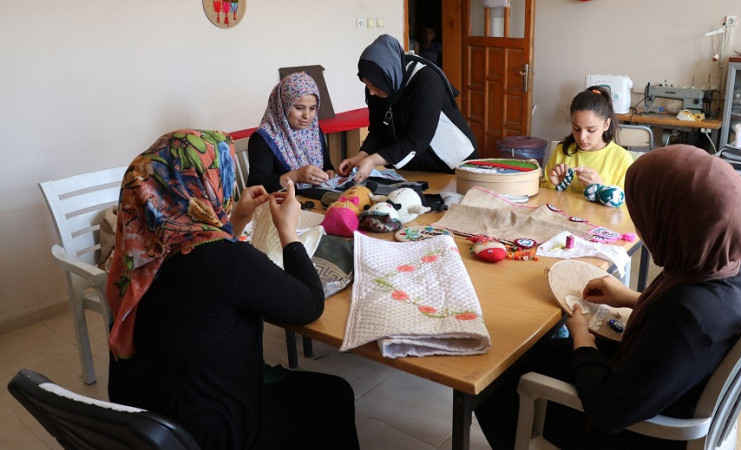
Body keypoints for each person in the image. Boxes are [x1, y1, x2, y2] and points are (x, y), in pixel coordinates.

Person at [475, 145, 741, 449]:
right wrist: (632, 298)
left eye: (645, 215)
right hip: (668, 389)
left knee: (490, 383)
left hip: (639, 432)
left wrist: (582, 340)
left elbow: (607, 411)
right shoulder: (734, 265)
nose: (642, 226)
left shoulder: (685, 317)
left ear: (673, 224)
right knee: (533, 352)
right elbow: (678, 330)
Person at [106, 129, 359, 450]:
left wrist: (235, 219)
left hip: (150, 421)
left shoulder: (134, 257)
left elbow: (207, 279)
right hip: (214, 431)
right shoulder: (225, 259)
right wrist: (288, 231)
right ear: (203, 185)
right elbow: (309, 305)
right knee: (334, 395)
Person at [339, 34, 478, 183]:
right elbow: (378, 130)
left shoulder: (427, 82)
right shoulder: (379, 87)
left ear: (388, 75)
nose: (371, 91)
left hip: (452, 163)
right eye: (366, 84)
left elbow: (417, 139)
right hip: (413, 163)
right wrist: (362, 156)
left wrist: (373, 160)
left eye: (374, 85)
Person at [247, 72, 336, 193]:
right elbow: (255, 188)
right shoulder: (264, 139)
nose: (307, 116)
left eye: (312, 108)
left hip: (313, 200)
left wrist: (329, 173)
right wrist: (295, 176)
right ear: (284, 105)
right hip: (281, 207)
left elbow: (327, 166)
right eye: (299, 108)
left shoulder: (313, 130)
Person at [541, 86, 633, 194]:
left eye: (591, 130)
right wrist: (554, 184)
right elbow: (544, 194)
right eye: (576, 129)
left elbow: (626, 206)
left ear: (606, 125)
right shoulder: (563, 150)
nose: (582, 137)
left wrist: (601, 188)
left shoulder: (622, 159)